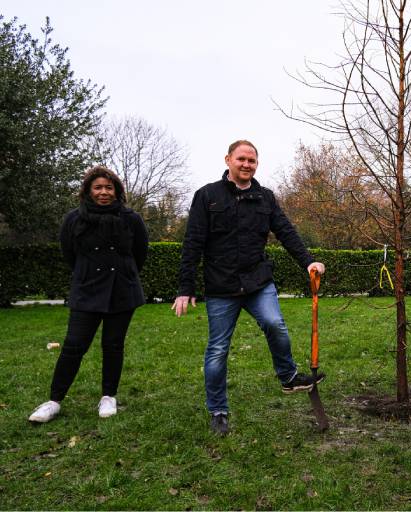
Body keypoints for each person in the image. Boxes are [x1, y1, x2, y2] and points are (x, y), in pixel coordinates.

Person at [172, 140, 326, 436]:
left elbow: (286, 231)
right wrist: (185, 287)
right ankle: (218, 410)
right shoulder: (207, 196)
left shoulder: (264, 197)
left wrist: (308, 261)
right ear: (228, 159)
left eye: (252, 161)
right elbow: (193, 243)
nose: (246, 164)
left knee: (275, 324)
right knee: (217, 350)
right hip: (221, 287)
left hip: (257, 281)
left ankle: (289, 376)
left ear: (257, 164)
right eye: (241, 159)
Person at [29, 166, 149, 423]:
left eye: (109, 187)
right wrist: (87, 275)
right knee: (73, 345)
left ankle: (108, 397)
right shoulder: (74, 219)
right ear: (88, 191)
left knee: (113, 345)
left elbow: (140, 253)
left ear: (116, 190)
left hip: (122, 290)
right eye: (98, 187)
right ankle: (53, 401)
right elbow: (69, 253)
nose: (104, 192)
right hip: (87, 290)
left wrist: (124, 276)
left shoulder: (131, 219)